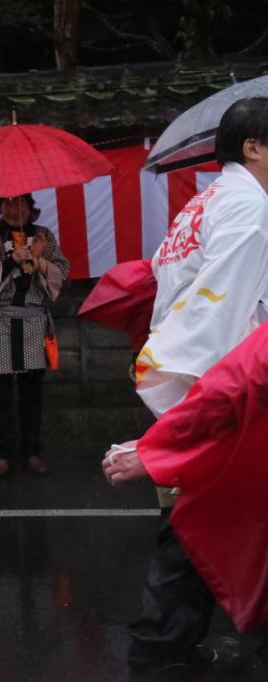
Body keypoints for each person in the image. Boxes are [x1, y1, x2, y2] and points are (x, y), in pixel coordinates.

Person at [106, 96, 268, 673]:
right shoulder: (249, 207)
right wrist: (209, 413)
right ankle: (162, 646)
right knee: (197, 522)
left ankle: (170, 641)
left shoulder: (205, 201)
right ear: (253, 147)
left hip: (181, 377)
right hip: (211, 384)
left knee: (201, 519)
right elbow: (217, 311)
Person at [0, 194, 69, 478]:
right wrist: (11, 260)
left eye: (20, 204)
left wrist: (39, 260)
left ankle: (32, 451)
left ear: (30, 206)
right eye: (8, 204)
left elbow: (61, 271)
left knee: (32, 392)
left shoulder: (43, 236)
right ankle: (2, 454)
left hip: (33, 322)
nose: (14, 210)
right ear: (0, 208)